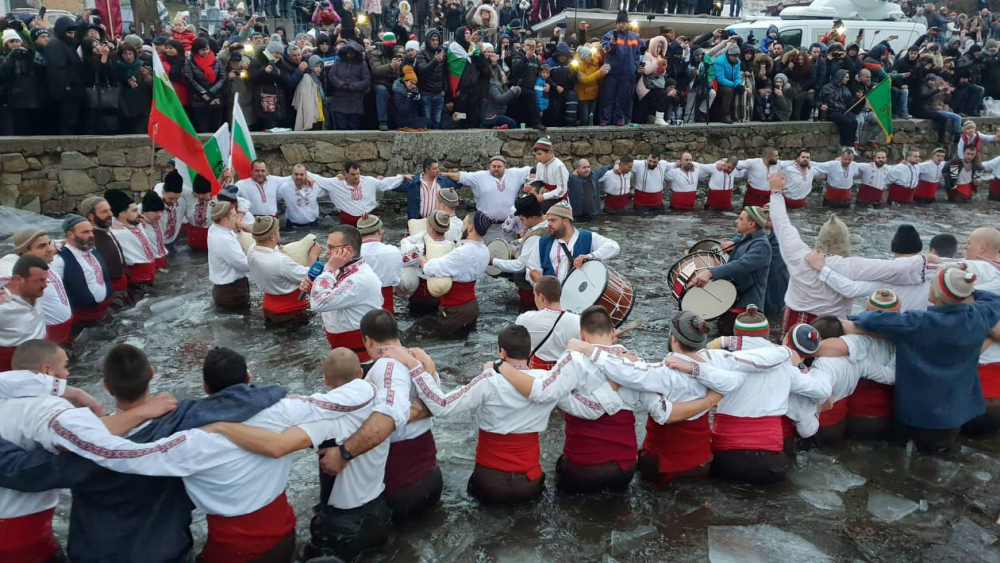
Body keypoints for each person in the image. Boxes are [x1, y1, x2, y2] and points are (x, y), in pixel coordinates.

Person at [47, 345, 379, 562]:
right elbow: (352, 395)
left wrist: (73, 430)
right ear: (249, 378)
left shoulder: (191, 438)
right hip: (283, 537)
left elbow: (125, 457)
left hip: (233, 552)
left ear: (205, 388)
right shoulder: (285, 408)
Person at [0, 343, 284, 563]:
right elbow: (236, 400)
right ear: (151, 374)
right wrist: (275, 391)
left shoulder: (84, 447)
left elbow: (22, 471)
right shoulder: (180, 420)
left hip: (95, 552)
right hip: (165, 549)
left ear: (106, 386)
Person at [843, 264, 1000, 454]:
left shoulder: (919, 322)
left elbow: (871, 320)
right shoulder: (979, 316)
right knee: (943, 461)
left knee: (906, 461)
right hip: (955, 412)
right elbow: (994, 299)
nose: (930, 285)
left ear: (940, 293)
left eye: (933, 283)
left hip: (916, 412)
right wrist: (963, 284)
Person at [318, 309, 442, 521]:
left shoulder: (386, 365)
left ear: (366, 340)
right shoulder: (419, 361)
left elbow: (390, 415)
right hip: (431, 477)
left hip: (401, 485)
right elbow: (438, 404)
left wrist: (344, 453)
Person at [305, 225, 384, 362]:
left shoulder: (358, 280)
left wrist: (329, 268)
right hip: (342, 350)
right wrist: (311, 289)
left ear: (348, 250)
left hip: (360, 357)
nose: (326, 253)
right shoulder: (339, 270)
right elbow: (326, 300)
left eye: (331, 247)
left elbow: (318, 303)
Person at [689, 205, 771, 336]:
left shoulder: (761, 246)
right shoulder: (746, 237)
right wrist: (731, 242)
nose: (736, 221)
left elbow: (741, 265)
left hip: (745, 307)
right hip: (732, 301)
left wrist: (711, 272)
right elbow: (739, 237)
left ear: (751, 223)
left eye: (740, 219)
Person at [422, 213, 491, 335]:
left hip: (455, 309)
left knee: (443, 344)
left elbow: (432, 268)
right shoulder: (485, 251)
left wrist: (424, 262)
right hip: (472, 306)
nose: (461, 228)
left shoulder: (461, 253)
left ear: (470, 228)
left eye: (463, 224)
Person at [0, 230, 73, 344]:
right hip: (48, 336)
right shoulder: (14, 263)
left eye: (49, 243)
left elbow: (54, 244)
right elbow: (4, 271)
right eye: (42, 246)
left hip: (65, 331)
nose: (49, 249)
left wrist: (63, 242)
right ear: (25, 251)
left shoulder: (43, 260)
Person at [248, 216, 321, 326]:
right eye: (278, 231)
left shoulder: (251, 250)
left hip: (268, 307)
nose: (279, 233)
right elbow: (308, 276)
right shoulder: (280, 261)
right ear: (272, 237)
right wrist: (313, 256)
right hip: (289, 312)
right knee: (294, 341)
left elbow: (272, 250)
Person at [526, 201, 620, 284]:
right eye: (548, 220)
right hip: (552, 298)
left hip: (580, 295)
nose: (549, 224)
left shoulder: (587, 237)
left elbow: (613, 246)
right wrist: (537, 280)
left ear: (566, 221)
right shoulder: (541, 242)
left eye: (553, 220)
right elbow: (532, 268)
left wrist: (590, 256)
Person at [50, 215, 113, 326]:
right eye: (85, 232)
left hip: (106, 315)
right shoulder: (59, 259)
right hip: (82, 322)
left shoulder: (91, 248)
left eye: (91, 231)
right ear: (70, 234)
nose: (91, 235)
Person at [490, 195, 547, 310]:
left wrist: (493, 261)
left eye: (522, 220)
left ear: (531, 217)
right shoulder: (548, 224)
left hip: (532, 290)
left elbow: (520, 265)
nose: (522, 223)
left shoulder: (535, 237)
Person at [443, 155, 532, 224]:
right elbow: (462, 176)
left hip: (510, 224)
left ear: (505, 167)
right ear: (490, 166)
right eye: (494, 166)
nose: (496, 168)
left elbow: (532, 171)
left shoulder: (515, 174)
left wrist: (530, 184)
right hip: (486, 225)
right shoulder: (479, 176)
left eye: (499, 166)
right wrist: (446, 174)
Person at [312, 161, 407, 225]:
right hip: (347, 223)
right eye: (353, 174)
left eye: (358, 173)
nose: (356, 176)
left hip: (366, 222)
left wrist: (402, 177)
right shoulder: (336, 183)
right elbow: (319, 179)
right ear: (347, 174)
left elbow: (385, 183)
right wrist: (305, 176)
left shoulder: (368, 181)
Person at [515, 275, 580, 370]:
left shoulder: (525, 319)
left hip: (536, 374)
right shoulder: (577, 321)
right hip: (566, 373)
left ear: (541, 297)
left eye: (534, 295)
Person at [0, 256, 48, 371]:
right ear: (18, 279)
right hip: (14, 374)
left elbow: (9, 258)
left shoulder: (34, 292)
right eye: (40, 281)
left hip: (43, 361)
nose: (45, 285)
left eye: (45, 280)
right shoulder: (3, 306)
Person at [79, 196, 129, 304]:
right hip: (111, 294)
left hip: (124, 289)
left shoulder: (106, 231)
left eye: (109, 210)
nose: (110, 214)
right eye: (104, 211)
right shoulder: (89, 239)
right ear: (91, 216)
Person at [105, 189, 158, 288]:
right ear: (121, 213)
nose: (139, 213)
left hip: (150, 275)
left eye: (137, 209)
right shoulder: (116, 233)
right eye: (134, 210)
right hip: (137, 281)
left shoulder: (138, 223)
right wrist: (110, 227)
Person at [599, 10, 643, 126]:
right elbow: (605, 50)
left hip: (627, 73)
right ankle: (605, 119)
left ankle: (618, 118)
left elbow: (638, 53)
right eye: (619, 22)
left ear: (627, 23)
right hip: (612, 73)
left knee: (622, 98)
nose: (621, 24)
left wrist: (635, 65)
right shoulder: (609, 35)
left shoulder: (634, 37)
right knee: (608, 97)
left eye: (623, 22)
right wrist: (612, 44)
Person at [208, 198, 252, 310]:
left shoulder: (214, 229)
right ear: (223, 220)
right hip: (232, 291)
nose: (237, 218)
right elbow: (243, 264)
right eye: (234, 216)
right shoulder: (224, 239)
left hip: (222, 289)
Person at [358, 214, 404, 314]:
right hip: (386, 306)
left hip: (362, 307)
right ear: (379, 231)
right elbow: (399, 276)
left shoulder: (353, 254)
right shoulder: (393, 251)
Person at [395, 157, 461, 219]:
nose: (438, 170)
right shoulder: (413, 182)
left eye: (438, 168)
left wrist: (448, 174)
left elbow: (461, 181)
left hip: (438, 221)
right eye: (435, 169)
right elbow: (394, 186)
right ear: (427, 170)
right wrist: (402, 177)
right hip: (418, 221)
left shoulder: (444, 181)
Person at [275, 163, 324, 229]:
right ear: (292, 175)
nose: (298, 177)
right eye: (296, 174)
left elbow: (330, 187)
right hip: (292, 225)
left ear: (306, 175)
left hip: (312, 224)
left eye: (301, 174)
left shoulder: (315, 186)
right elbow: (273, 197)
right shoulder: (284, 188)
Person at [531, 137, 570, 208]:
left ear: (549, 152)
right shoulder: (539, 164)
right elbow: (538, 181)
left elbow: (561, 190)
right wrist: (531, 187)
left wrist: (544, 196)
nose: (536, 157)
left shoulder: (559, 166)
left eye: (539, 154)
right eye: (536, 154)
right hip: (544, 200)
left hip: (559, 201)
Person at [153, 170, 188, 247]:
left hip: (173, 241)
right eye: (171, 198)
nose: (174, 201)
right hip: (155, 243)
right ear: (163, 192)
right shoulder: (154, 205)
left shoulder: (181, 202)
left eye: (177, 198)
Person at [184, 175, 215, 251]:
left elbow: (243, 203)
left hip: (211, 245)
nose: (200, 196)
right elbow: (177, 187)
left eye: (204, 193)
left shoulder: (217, 198)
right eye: (198, 193)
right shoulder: (190, 197)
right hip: (192, 245)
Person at [140, 191, 169, 271]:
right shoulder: (140, 226)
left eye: (161, 211)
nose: (159, 214)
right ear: (144, 211)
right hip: (151, 263)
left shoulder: (158, 221)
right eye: (155, 211)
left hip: (162, 260)